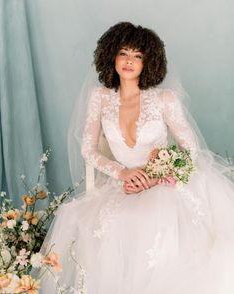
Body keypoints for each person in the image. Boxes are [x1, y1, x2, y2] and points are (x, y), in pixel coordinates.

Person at [41, 22, 234, 293]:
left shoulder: (165, 99)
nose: (129, 61)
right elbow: (88, 149)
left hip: (163, 184)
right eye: (124, 52)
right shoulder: (100, 97)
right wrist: (122, 173)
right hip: (122, 185)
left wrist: (154, 175)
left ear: (148, 62)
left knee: (155, 217)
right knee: (97, 222)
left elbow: (189, 149)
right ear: (111, 56)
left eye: (138, 55)